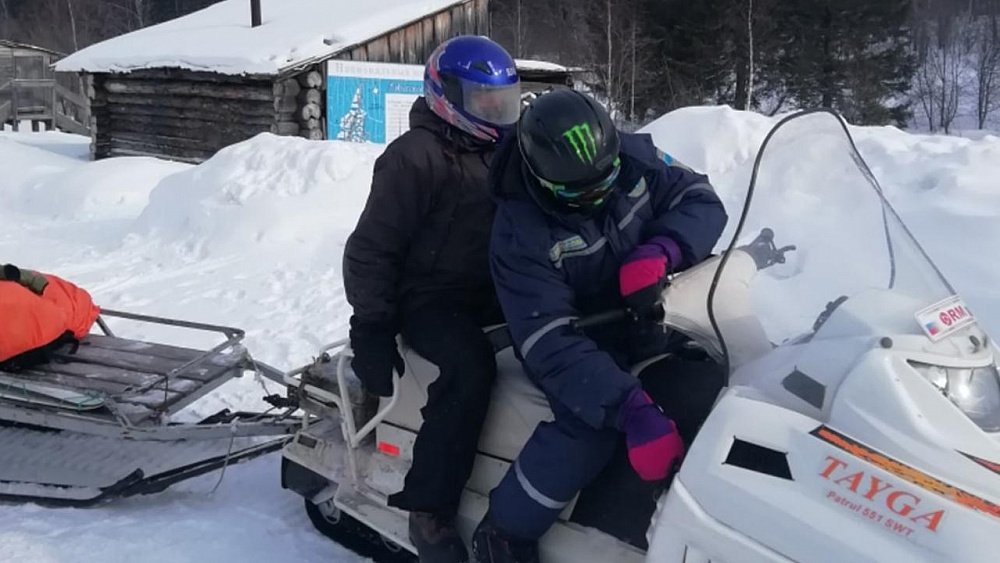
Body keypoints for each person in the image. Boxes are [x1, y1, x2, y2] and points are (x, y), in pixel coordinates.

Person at [471, 90, 728, 563]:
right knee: (588, 433)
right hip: (577, 338)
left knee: (716, 377)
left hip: (650, 309)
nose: (600, 196)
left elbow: (699, 197)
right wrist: (630, 409)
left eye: (606, 182)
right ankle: (504, 530)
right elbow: (548, 339)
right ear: (540, 176)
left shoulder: (632, 159)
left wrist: (663, 249)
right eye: (579, 193)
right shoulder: (519, 232)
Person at [342, 35, 520, 563]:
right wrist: (371, 327)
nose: (495, 112)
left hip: (490, 286)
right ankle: (430, 508)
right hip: (428, 298)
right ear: (448, 97)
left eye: (501, 101)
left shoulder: (502, 150)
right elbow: (372, 247)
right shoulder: (413, 158)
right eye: (484, 102)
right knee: (471, 368)